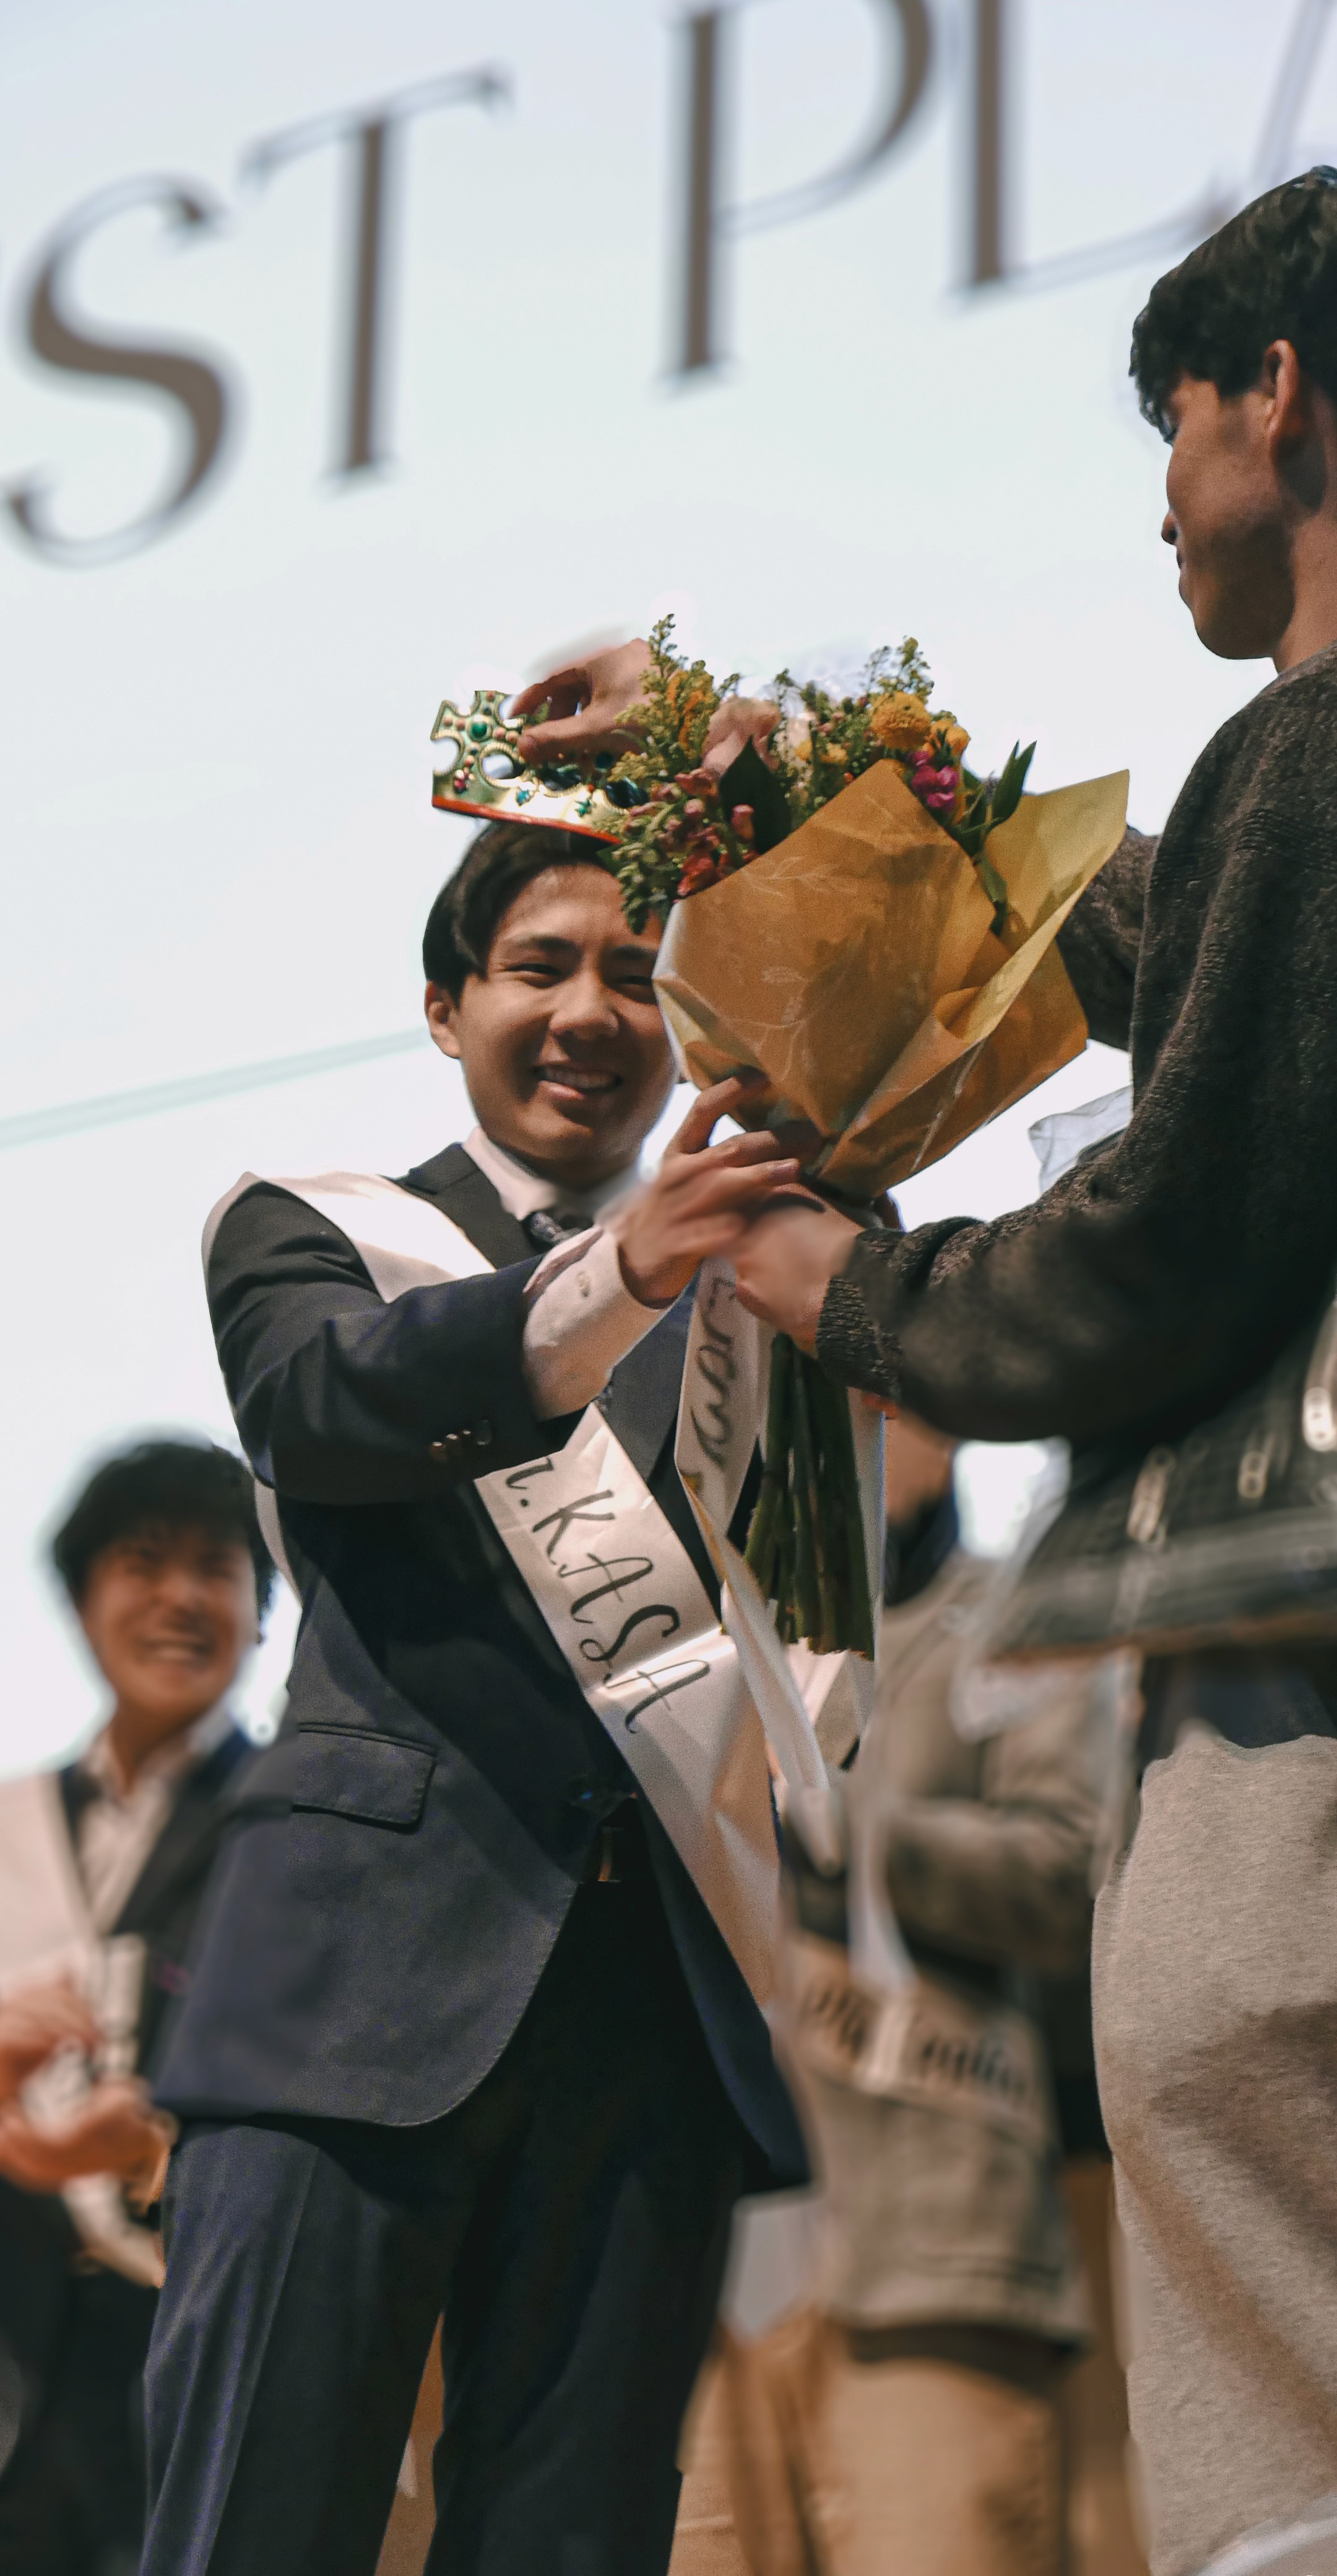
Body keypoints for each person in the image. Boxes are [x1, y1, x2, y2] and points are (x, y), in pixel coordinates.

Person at [709, 154, 1337, 2573]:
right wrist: (791, 771)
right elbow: (1170, 955)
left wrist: (847, 1288)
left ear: (1276, 395)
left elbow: (1173, 1243)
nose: (1155, 497)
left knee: (1301, 2270)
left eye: (1172, 423)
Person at [140, 822, 809, 2576]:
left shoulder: (765, 1280)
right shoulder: (313, 1228)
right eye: (538, 967)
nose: (589, 1010)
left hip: (656, 2014)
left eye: (636, 976)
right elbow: (321, 1406)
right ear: (445, 1008)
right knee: (253, 2528)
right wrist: (619, 1271)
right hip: (343, 1995)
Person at [700, 1412, 1130, 2576]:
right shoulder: (692, 1629)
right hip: (698, 2253)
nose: (854, 1424)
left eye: (889, 1401)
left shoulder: (1022, 1622)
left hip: (935, 2242)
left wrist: (840, 1826)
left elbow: (1071, 1874)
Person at [0, 1439, 270, 2575]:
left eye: (217, 1566)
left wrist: (154, 2157)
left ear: (265, 1610)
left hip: (193, 2358)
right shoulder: (9, 1823)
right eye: (142, 1562)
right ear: (80, 1598)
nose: (179, 1598)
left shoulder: (293, 1831)